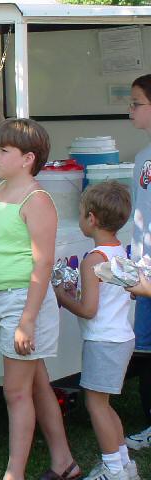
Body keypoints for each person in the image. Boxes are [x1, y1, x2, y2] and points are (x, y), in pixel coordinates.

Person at [0, 118, 80, 480]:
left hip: (23, 302)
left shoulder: (37, 200)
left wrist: (27, 320)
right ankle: (65, 463)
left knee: (16, 392)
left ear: (27, 159)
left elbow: (43, 263)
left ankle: (14, 473)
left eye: (3, 150)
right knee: (36, 384)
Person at [54, 181, 139, 480]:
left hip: (103, 340)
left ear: (91, 218)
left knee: (95, 406)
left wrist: (62, 296)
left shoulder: (94, 259)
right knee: (104, 404)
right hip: (121, 338)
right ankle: (125, 465)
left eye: (80, 214)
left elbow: (89, 309)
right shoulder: (119, 251)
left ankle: (113, 470)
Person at [123, 73, 151, 453]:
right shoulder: (143, 157)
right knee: (145, 350)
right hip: (144, 270)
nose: (130, 110)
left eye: (136, 103)